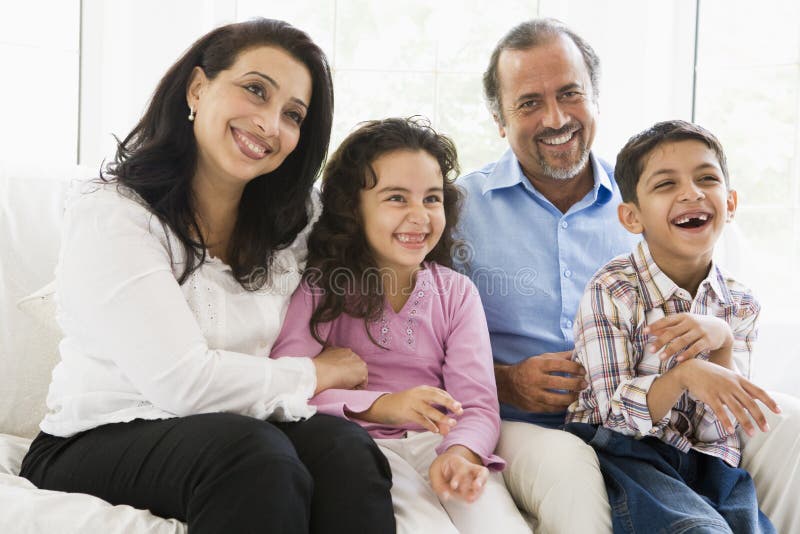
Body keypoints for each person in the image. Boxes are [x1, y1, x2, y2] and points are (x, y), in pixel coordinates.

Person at [19, 19, 395, 534]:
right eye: (255, 90)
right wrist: (315, 373)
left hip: (238, 429)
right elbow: (183, 383)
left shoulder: (293, 222)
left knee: (346, 450)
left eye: (293, 115)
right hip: (96, 436)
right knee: (254, 457)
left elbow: (391, 229)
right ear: (198, 88)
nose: (269, 123)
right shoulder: (113, 215)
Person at [457, 17, 800, 533]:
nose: (555, 117)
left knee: (790, 425)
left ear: (595, 99)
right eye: (529, 102)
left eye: (570, 94)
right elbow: (417, 335)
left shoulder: (648, 194)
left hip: (657, 423)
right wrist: (504, 381)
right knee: (576, 469)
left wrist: (718, 346)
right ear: (499, 120)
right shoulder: (456, 209)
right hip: (523, 423)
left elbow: (716, 332)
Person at [270, 117, 530, 534]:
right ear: (353, 208)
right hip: (361, 452)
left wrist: (461, 453)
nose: (419, 216)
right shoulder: (320, 287)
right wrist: (385, 405)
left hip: (440, 444)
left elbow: (478, 404)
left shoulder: (457, 293)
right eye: (396, 198)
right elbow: (285, 386)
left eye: (431, 198)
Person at [564, 120, 778, 533]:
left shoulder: (740, 303)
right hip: (624, 452)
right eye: (666, 185)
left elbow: (723, 433)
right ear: (631, 216)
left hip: (706, 461)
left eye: (706, 178)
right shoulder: (614, 289)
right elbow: (612, 416)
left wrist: (723, 346)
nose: (691, 193)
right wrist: (684, 375)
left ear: (730, 203)